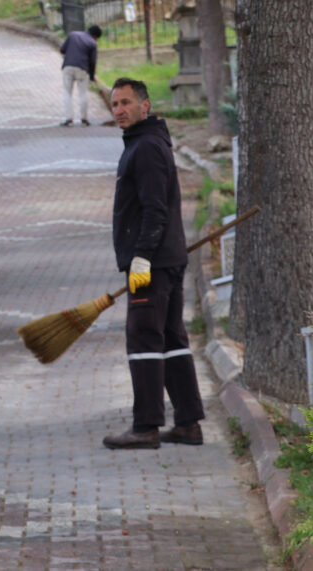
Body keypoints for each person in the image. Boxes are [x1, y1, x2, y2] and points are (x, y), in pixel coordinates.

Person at [103, 78, 205, 450]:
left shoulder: (145, 147)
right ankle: (189, 423)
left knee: (144, 337)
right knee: (173, 338)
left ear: (145, 105)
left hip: (153, 263)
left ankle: (146, 426)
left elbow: (154, 210)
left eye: (126, 102)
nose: (119, 110)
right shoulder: (149, 142)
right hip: (168, 259)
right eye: (115, 104)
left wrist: (142, 257)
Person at [59, 25, 102, 127]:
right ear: (95, 36)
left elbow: (62, 49)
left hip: (68, 67)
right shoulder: (92, 43)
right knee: (83, 93)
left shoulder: (73, 35)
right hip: (83, 69)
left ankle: (69, 119)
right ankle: (84, 119)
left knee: (67, 93)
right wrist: (92, 76)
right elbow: (93, 61)